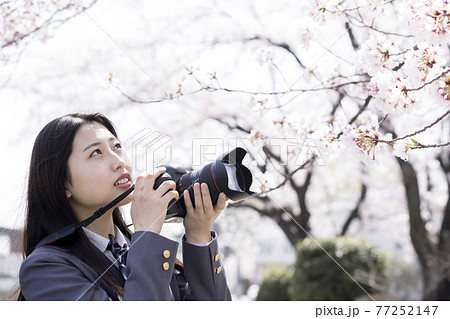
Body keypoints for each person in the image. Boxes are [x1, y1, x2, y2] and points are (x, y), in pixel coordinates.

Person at [18, 113, 232, 301]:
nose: (119, 161)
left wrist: (198, 235)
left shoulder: (139, 248)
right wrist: (147, 233)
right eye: (96, 153)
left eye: (117, 147)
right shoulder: (45, 269)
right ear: (63, 183)